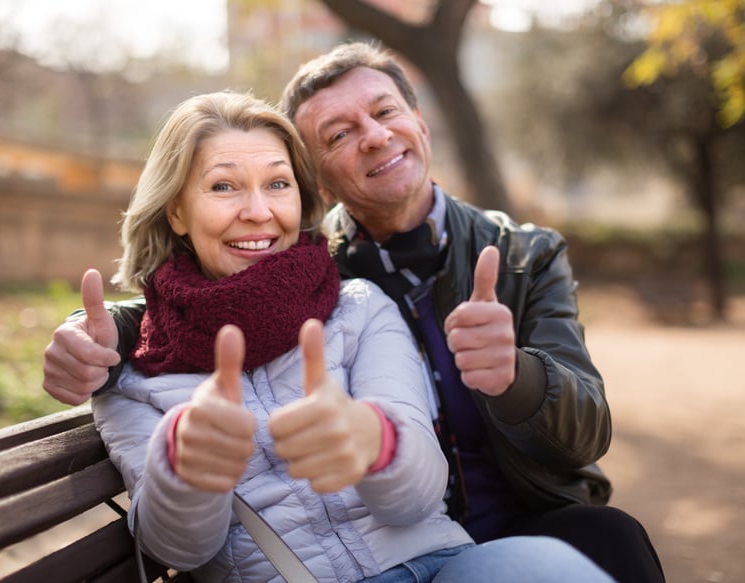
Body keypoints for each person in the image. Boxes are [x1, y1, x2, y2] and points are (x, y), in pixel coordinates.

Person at [44, 43, 664, 582]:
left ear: (419, 123)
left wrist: (509, 380)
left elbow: (580, 434)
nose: (373, 135)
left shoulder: (497, 263)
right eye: (339, 134)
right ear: (325, 184)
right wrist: (105, 343)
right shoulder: (319, 273)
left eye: (387, 111)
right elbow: (172, 317)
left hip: (489, 529)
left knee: (609, 540)